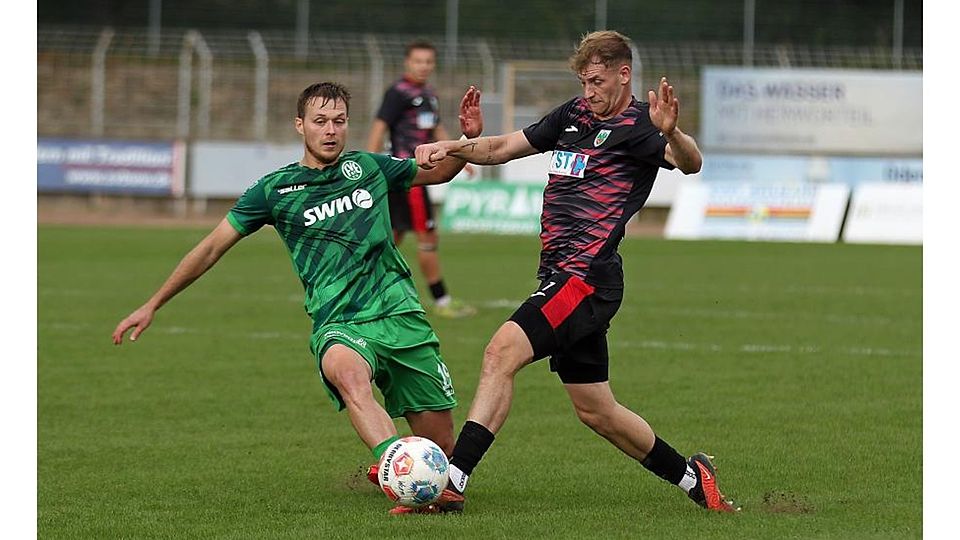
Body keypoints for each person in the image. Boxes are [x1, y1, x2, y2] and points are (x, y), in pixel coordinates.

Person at [112, 81, 483, 513]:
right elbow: (212, 247)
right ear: (300, 125)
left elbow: (439, 172)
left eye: (339, 121)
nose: (331, 130)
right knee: (350, 377)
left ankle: (407, 471)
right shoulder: (275, 190)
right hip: (340, 323)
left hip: (402, 316)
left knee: (442, 451)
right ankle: (395, 466)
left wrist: (466, 141)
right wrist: (153, 302)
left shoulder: (369, 167)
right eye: (320, 121)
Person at [409, 31, 738, 514]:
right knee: (596, 411)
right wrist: (456, 146)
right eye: (585, 81)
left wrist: (672, 131)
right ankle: (695, 479)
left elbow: (690, 163)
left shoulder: (643, 126)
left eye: (598, 80)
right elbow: (501, 149)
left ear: (624, 75)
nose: (590, 90)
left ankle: (453, 479)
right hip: (560, 275)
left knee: (501, 351)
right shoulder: (573, 116)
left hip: (586, 279)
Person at [366, 39, 476, 319]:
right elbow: (380, 127)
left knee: (392, 235)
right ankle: (442, 300)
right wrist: (368, 165)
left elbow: (436, 128)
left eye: (428, 61)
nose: (423, 66)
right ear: (407, 62)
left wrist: (460, 155)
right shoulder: (398, 93)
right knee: (426, 235)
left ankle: (359, 286)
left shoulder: (428, 94)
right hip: (407, 173)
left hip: (418, 175)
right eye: (418, 61)